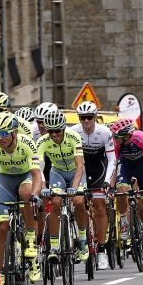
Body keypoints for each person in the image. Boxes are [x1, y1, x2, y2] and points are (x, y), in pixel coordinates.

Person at [0, 112, 43, 285]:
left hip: (26, 176)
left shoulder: (26, 143)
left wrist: (36, 194)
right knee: (2, 227)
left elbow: (37, 175)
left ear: (14, 132)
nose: (0, 138)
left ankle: (30, 240)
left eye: (5, 133)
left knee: (26, 193)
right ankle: (4, 277)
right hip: (5, 180)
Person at [35, 108, 89, 263]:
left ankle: (83, 241)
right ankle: (54, 247)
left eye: (57, 131)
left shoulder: (74, 137)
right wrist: (44, 186)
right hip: (57, 172)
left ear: (63, 128)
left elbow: (80, 166)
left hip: (75, 172)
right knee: (56, 203)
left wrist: (74, 186)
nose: (54, 135)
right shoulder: (42, 141)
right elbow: (39, 167)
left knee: (78, 201)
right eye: (51, 132)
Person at [72, 101, 116, 270]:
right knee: (78, 203)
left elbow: (112, 159)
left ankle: (102, 250)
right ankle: (81, 240)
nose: (86, 121)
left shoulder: (105, 133)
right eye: (82, 118)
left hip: (99, 169)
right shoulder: (73, 132)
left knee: (99, 207)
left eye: (89, 117)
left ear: (95, 117)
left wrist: (107, 181)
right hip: (81, 169)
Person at [109, 118, 143, 256]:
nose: (115, 139)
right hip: (126, 166)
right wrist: (111, 187)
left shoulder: (140, 138)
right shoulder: (117, 144)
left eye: (117, 137)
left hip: (142, 167)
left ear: (127, 135)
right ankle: (124, 222)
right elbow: (115, 165)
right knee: (121, 191)